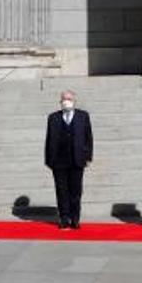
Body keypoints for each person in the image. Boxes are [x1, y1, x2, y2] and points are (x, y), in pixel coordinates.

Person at [44, 89, 93, 229]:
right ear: (60, 102)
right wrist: (48, 159)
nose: (67, 101)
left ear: (74, 101)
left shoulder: (83, 116)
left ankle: (75, 218)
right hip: (58, 160)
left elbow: (88, 138)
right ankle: (64, 218)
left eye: (69, 99)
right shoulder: (53, 117)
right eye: (64, 99)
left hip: (77, 159)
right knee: (61, 191)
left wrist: (88, 156)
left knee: (76, 191)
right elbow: (49, 139)